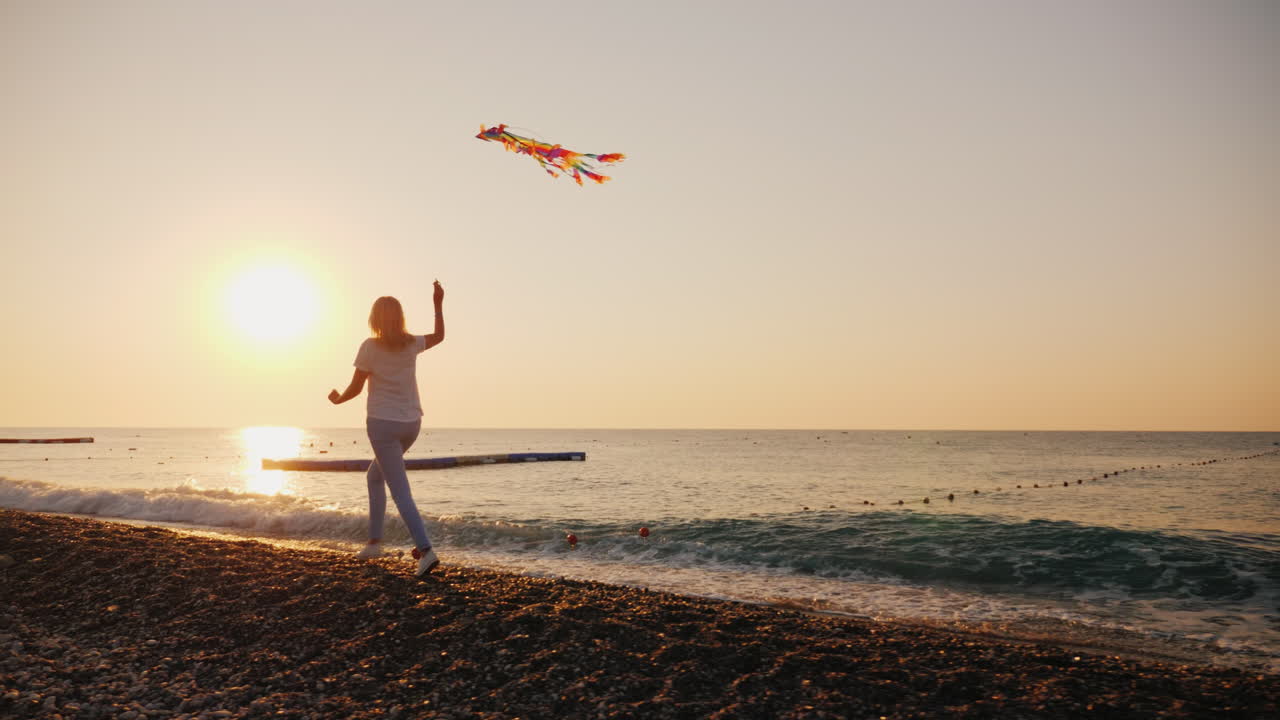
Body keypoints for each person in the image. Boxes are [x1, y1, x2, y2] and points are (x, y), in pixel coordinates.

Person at [328, 281, 445, 576]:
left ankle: (427, 551)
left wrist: (337, 400)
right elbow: (440, 336)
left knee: (400, 491)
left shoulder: (370, 347)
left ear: (374, 320)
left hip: (382, 425)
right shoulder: (412, 343)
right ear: (400, 318)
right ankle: (374, 542)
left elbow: (355, 388)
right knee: (374, 476)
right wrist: (437, 303)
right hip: (411, 425)